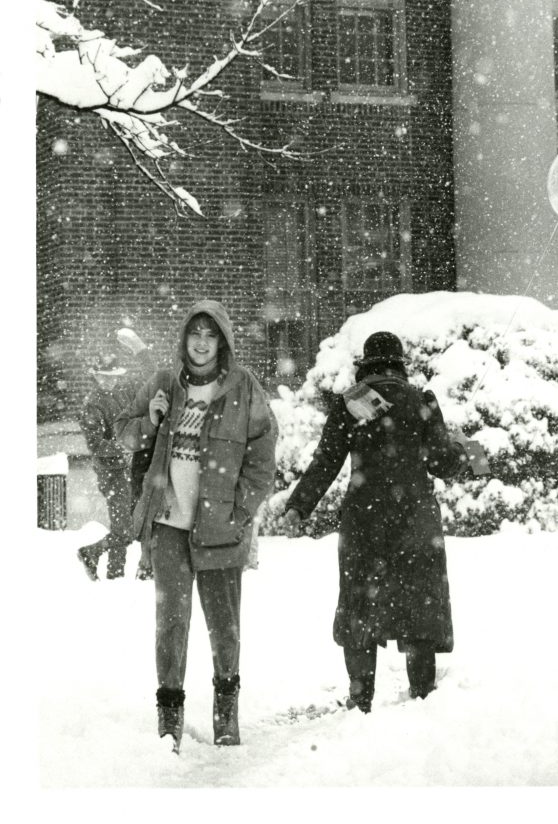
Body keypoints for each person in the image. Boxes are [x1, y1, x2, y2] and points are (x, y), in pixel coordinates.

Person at [115, 300, 277, 751]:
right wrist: (149, 419)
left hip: (221, 527)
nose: (201, 343)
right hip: (168, 524)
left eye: (210, 335)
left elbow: (263, 456)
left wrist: (239, 511)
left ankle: (226, 713)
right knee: (171, 622)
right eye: (195, 334)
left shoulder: (244, 389)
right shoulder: (163, 384)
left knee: (224, 624)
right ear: (184, 339)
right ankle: (170, 719)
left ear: (221, 342)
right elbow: (123, 434)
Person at [281, 331, 467, 714]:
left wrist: (299, 506)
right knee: (420, 603)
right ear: (400, 364)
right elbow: (441, 463)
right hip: (416, 520)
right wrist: (460, 452)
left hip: (365, 519)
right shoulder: (422, 400)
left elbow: (326, 462)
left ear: (366, 364)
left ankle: (360, 696)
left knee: (360, 607)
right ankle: (422, 694)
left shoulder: (351, 403)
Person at [76, 330, 156, 582]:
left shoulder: (123, 393)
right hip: (111, 473)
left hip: (129, 469)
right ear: (96, 376)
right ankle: (90, 553)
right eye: (104, 376)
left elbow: (151, 379)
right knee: (126, 530)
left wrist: (141, 351)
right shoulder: (93, 405)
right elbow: (95, 444)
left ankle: (115, 577)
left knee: (126, 526)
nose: (109, 381)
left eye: (113, 376)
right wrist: (122, 446)